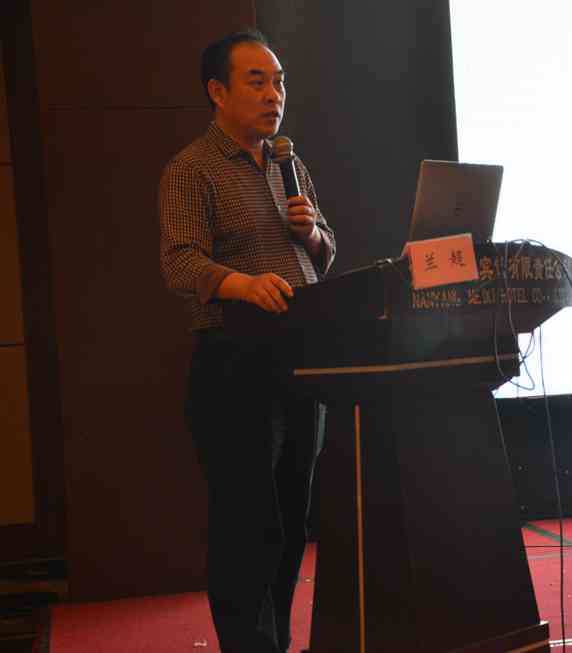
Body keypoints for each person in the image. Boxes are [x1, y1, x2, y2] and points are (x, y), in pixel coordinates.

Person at [159, 28, 334, 653]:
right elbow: (179, 262)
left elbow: (325, 255)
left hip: (300, 363)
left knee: (289, 523)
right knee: (246, 524)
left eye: (279, 82)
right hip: (234, 366)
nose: (273, 95)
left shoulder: (290, 164)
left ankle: (275, 643)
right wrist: (242, 284)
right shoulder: (192, 169)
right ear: (217, 91)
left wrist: (311, 234)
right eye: (256, 82)